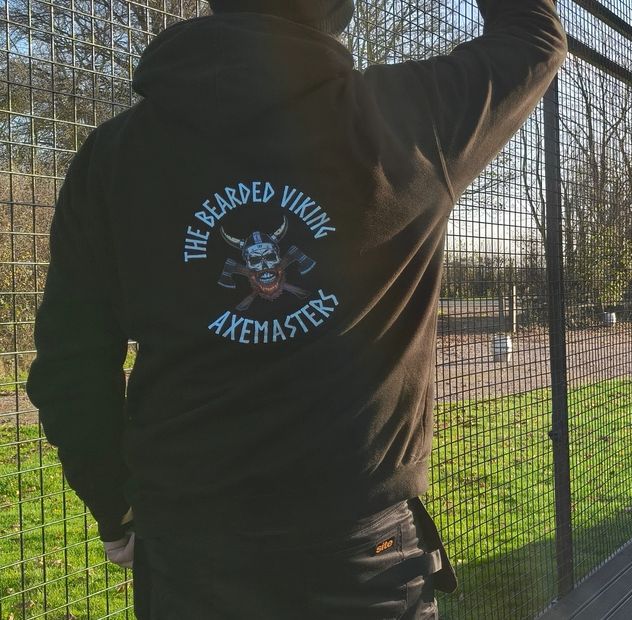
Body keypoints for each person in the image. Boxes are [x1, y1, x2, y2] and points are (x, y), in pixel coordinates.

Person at [25, 0, 566, 616]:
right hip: (363, 557)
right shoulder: (408, 120)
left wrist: (112, 504)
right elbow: (533, 36)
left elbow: (72, 366)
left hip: (189, 553)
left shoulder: (113, 157)